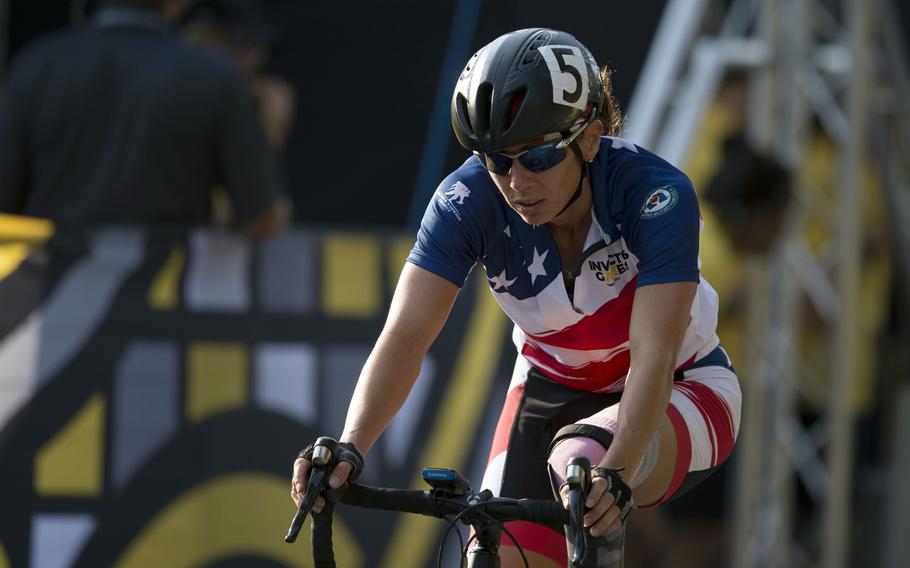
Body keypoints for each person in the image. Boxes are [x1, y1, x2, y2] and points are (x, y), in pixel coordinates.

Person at [291, 28, 741, 567]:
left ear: (591, 136)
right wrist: (349, 446)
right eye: (497, 160)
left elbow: (654, 354)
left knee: (583, 461)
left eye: (538, 157)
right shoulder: (467, 202)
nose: (516, 182)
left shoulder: (654, 194)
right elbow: (407, 337)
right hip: (549, 389)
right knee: (493, 556)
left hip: (682, 384)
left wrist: (615, 473)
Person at [0, 0, 289, 239]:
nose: (251, 58)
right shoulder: (212, 76)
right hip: (160, 292)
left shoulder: (36, 67)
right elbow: (261, 216)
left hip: (51, 295)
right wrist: (270, 134)